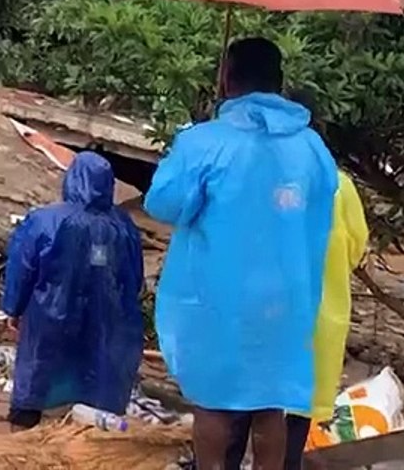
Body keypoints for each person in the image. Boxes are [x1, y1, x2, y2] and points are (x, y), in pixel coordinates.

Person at [145, 37, 339, 470]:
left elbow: (164, 203)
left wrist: (189, 148)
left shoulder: (205, 142)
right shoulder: (311, 147)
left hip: (220, 294)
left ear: (226, 78)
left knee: (214, 404)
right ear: (279, 82)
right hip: (286, 297)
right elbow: (324, 201)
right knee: (270, 406)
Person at [222, 92, 370, 470]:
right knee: (296, 413)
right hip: (320, 312)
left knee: (247, 402)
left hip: (263, 310)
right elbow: (356, 248)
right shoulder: (342, 187)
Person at [1, 151, 146, 432]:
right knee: (99, 376)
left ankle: (22, 440)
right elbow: (134, 280)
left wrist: (13, 308)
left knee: (38, 373)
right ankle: (91, 434)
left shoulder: (45, 220)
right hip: (109, 319)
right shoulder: (124, 226)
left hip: (50, 313)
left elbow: (22, 267)